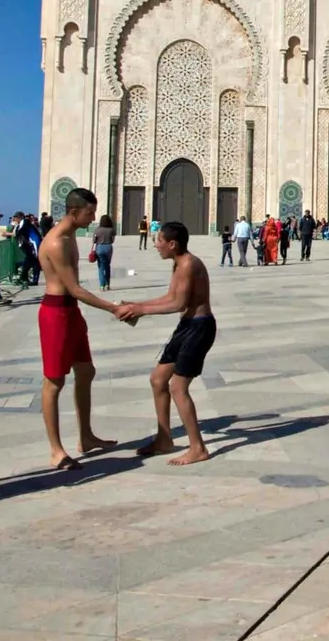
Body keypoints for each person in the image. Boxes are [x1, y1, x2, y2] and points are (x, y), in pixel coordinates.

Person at [37, 188, 122, 469]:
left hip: (70, 311)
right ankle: (55, 450)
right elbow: (74, 288)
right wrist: (113, 307)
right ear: (74, 212)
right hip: (55, 312)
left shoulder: (71, 235)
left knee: (86, 370)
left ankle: (85, 436)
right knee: (54, 381)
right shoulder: (57, 242)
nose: (93, 218)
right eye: (89, 213)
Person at [117, 222, 215, 466]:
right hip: (186, 327)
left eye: (158, 240)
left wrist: (140, 310)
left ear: (172, 244)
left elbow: (177, 304)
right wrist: (137, 306)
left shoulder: (188, 265)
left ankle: (197, 448)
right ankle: (164, 439)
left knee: (178, 388)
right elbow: (170, 297)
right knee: (158, 380)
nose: (155, 245)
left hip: (199, 328)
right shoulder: (179, 263)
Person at [92, 214, 116, 289]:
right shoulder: (111, 229)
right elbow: (112, 240)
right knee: (107, 266)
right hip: (108, 247)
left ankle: (102, 285)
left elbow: (94, 241)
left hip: (99, 247)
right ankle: (107, 284)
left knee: (101, 267)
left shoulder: (97, 230)